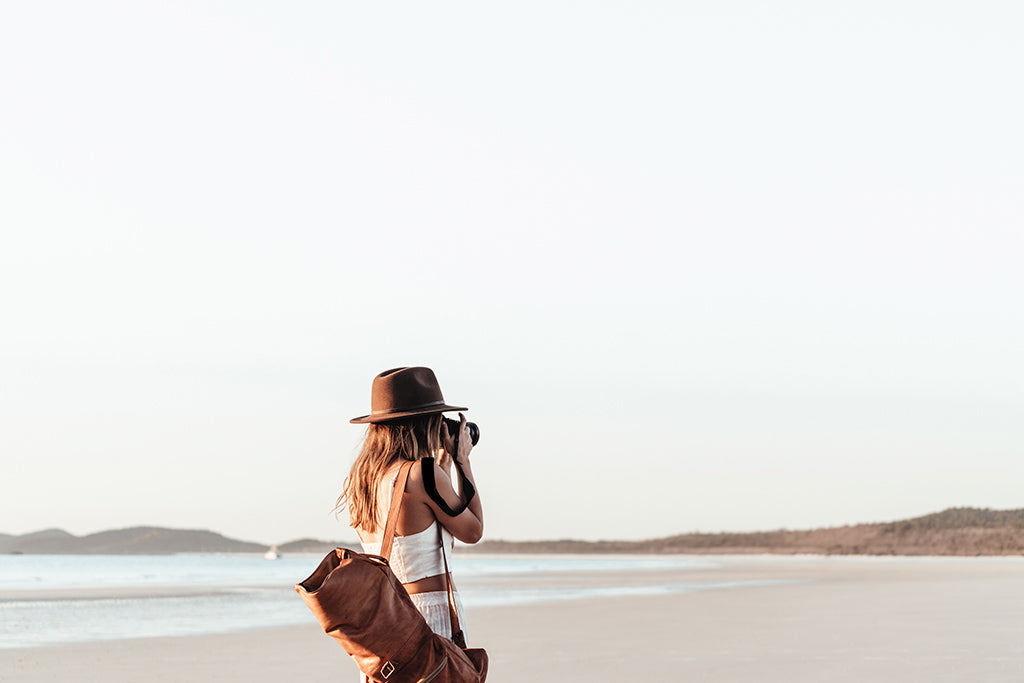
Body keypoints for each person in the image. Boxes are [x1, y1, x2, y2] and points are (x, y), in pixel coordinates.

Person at [338, 366, 483, 642]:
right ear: (425, 423)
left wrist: (444, 464)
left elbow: (422, 528)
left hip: (384, 624)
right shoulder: (422, 474)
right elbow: (473, 531)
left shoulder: (361, 481)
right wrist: (463, 460)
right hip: (428, 621)